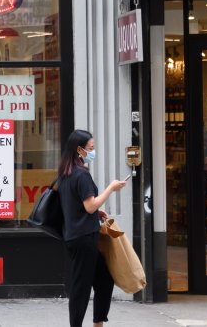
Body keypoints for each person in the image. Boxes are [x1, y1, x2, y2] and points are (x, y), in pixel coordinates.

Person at [58, 129, 128, 327]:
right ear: (79, 149)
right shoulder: (81, 175)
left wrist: (97, 213)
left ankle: (98, 323)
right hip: (84, 238)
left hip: (77, 236)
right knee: (81, 289)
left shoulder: (66, 174)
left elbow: (76, 205)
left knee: (105, 280)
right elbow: (89, 206)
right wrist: (111, 188)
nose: (93, 151)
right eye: (91, 148)